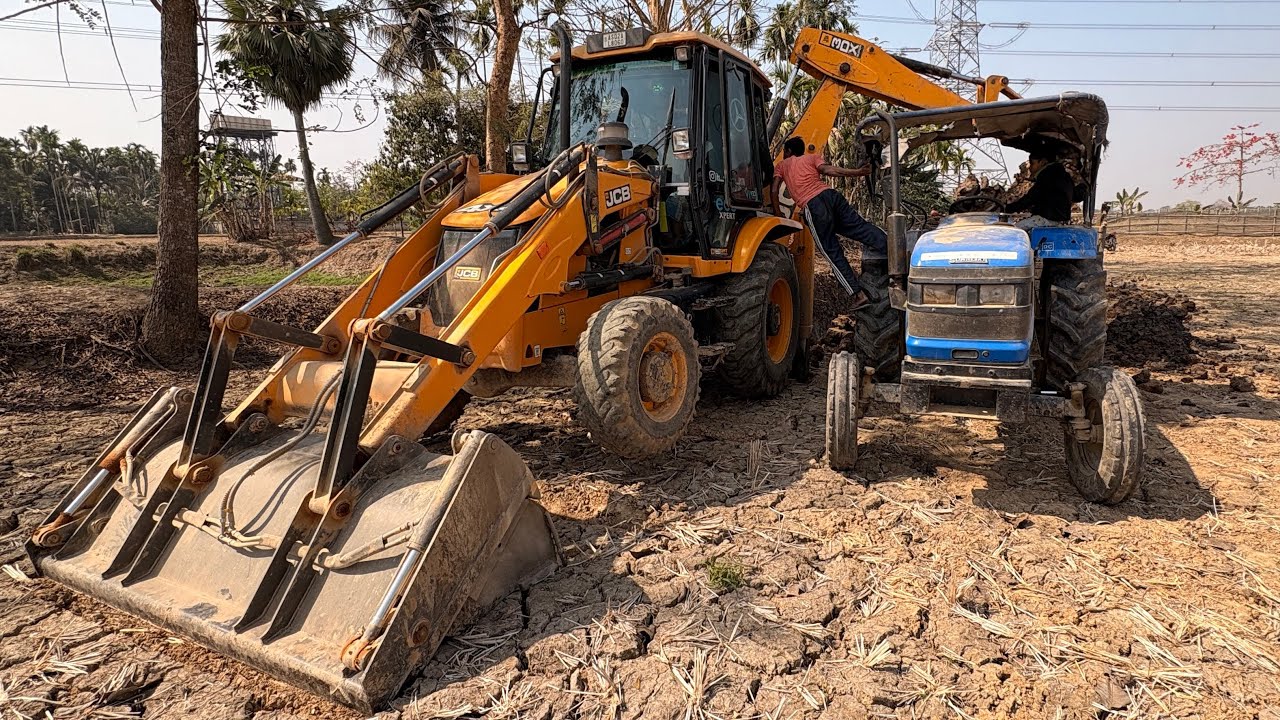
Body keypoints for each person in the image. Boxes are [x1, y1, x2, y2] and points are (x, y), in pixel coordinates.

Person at [772, 136, 887, 308]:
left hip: (813, 205)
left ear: (787, 151)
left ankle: (858, 295)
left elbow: (774, 190)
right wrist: (857, 172)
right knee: (861, 228)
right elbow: (830, 171)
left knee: (831, 252)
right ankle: (896, 254)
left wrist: (778, 214)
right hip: (831, 197)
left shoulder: (782, 166)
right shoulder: (812, 158)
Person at [1006, 148, 1073, 229]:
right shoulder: (1063, 176)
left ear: (1043, 162)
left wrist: (1008, 208)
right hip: (1059, 220)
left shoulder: (1048, 176)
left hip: (1048, 219)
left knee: (1014, 230)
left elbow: (1031, 198)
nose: (1030, 168)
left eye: (1032, 163)